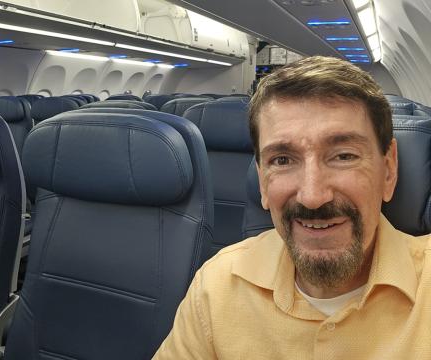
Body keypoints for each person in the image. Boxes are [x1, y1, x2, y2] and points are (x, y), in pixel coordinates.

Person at [153, 56, 431, 359]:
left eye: (344, 156)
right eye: (282, 160)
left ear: (388, 169)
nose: (313, 196)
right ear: (262, 182)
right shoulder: (219, 284)